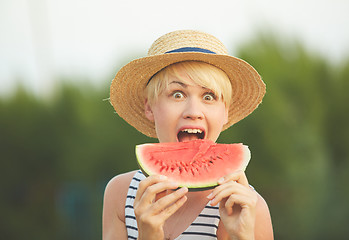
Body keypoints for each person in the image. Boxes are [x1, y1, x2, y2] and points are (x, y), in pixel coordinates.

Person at [103, 30, 273, 240]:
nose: (193, 111)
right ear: (149, 107)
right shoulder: (121, 194)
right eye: (177, 94)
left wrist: (242, 237)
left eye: (208, 96)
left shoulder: (248, 208)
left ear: (226, 112)